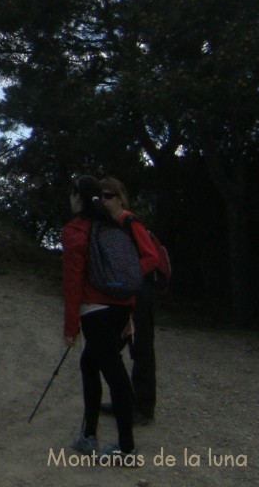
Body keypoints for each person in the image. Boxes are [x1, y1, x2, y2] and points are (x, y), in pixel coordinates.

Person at [62, 175, 159, 461]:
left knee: (114, 374)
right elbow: (127, 270)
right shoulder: (111, 226)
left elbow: (72, 283)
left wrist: (71, 327)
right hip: (120, 306)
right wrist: (129, 314)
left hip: (96, 310)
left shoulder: (76, 231)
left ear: (77, 197)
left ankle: (126, 447)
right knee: (89, 363)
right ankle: (89, 435)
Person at [100, 176, 158, 425]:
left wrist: (128, 276)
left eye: (108, 196)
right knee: (111, 348)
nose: (103, 200)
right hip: (124, 295)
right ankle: (125, 399)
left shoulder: (130, 222)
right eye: (100, 196)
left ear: (120, 198)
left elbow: (152, 257)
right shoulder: (109, 225)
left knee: (141, 349)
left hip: (139, 295)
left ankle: (143, 409)